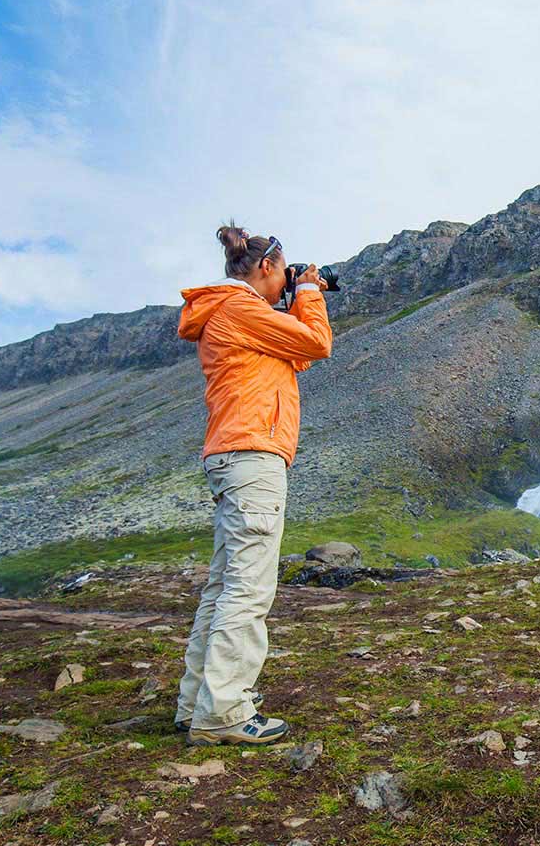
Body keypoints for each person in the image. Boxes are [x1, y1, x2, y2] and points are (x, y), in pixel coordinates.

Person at [172, 224, 333, 745]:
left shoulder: (235, 313)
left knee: (224, 585)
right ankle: (224, 713)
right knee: (248, 587)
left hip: (233, 454)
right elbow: (317, 343)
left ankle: (198, 701)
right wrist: (306, 293)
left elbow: (298, 354)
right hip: (253, 455)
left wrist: (299, 296)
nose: (286, 279)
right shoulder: (241, 309)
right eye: (282, 271)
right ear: (266, 268)